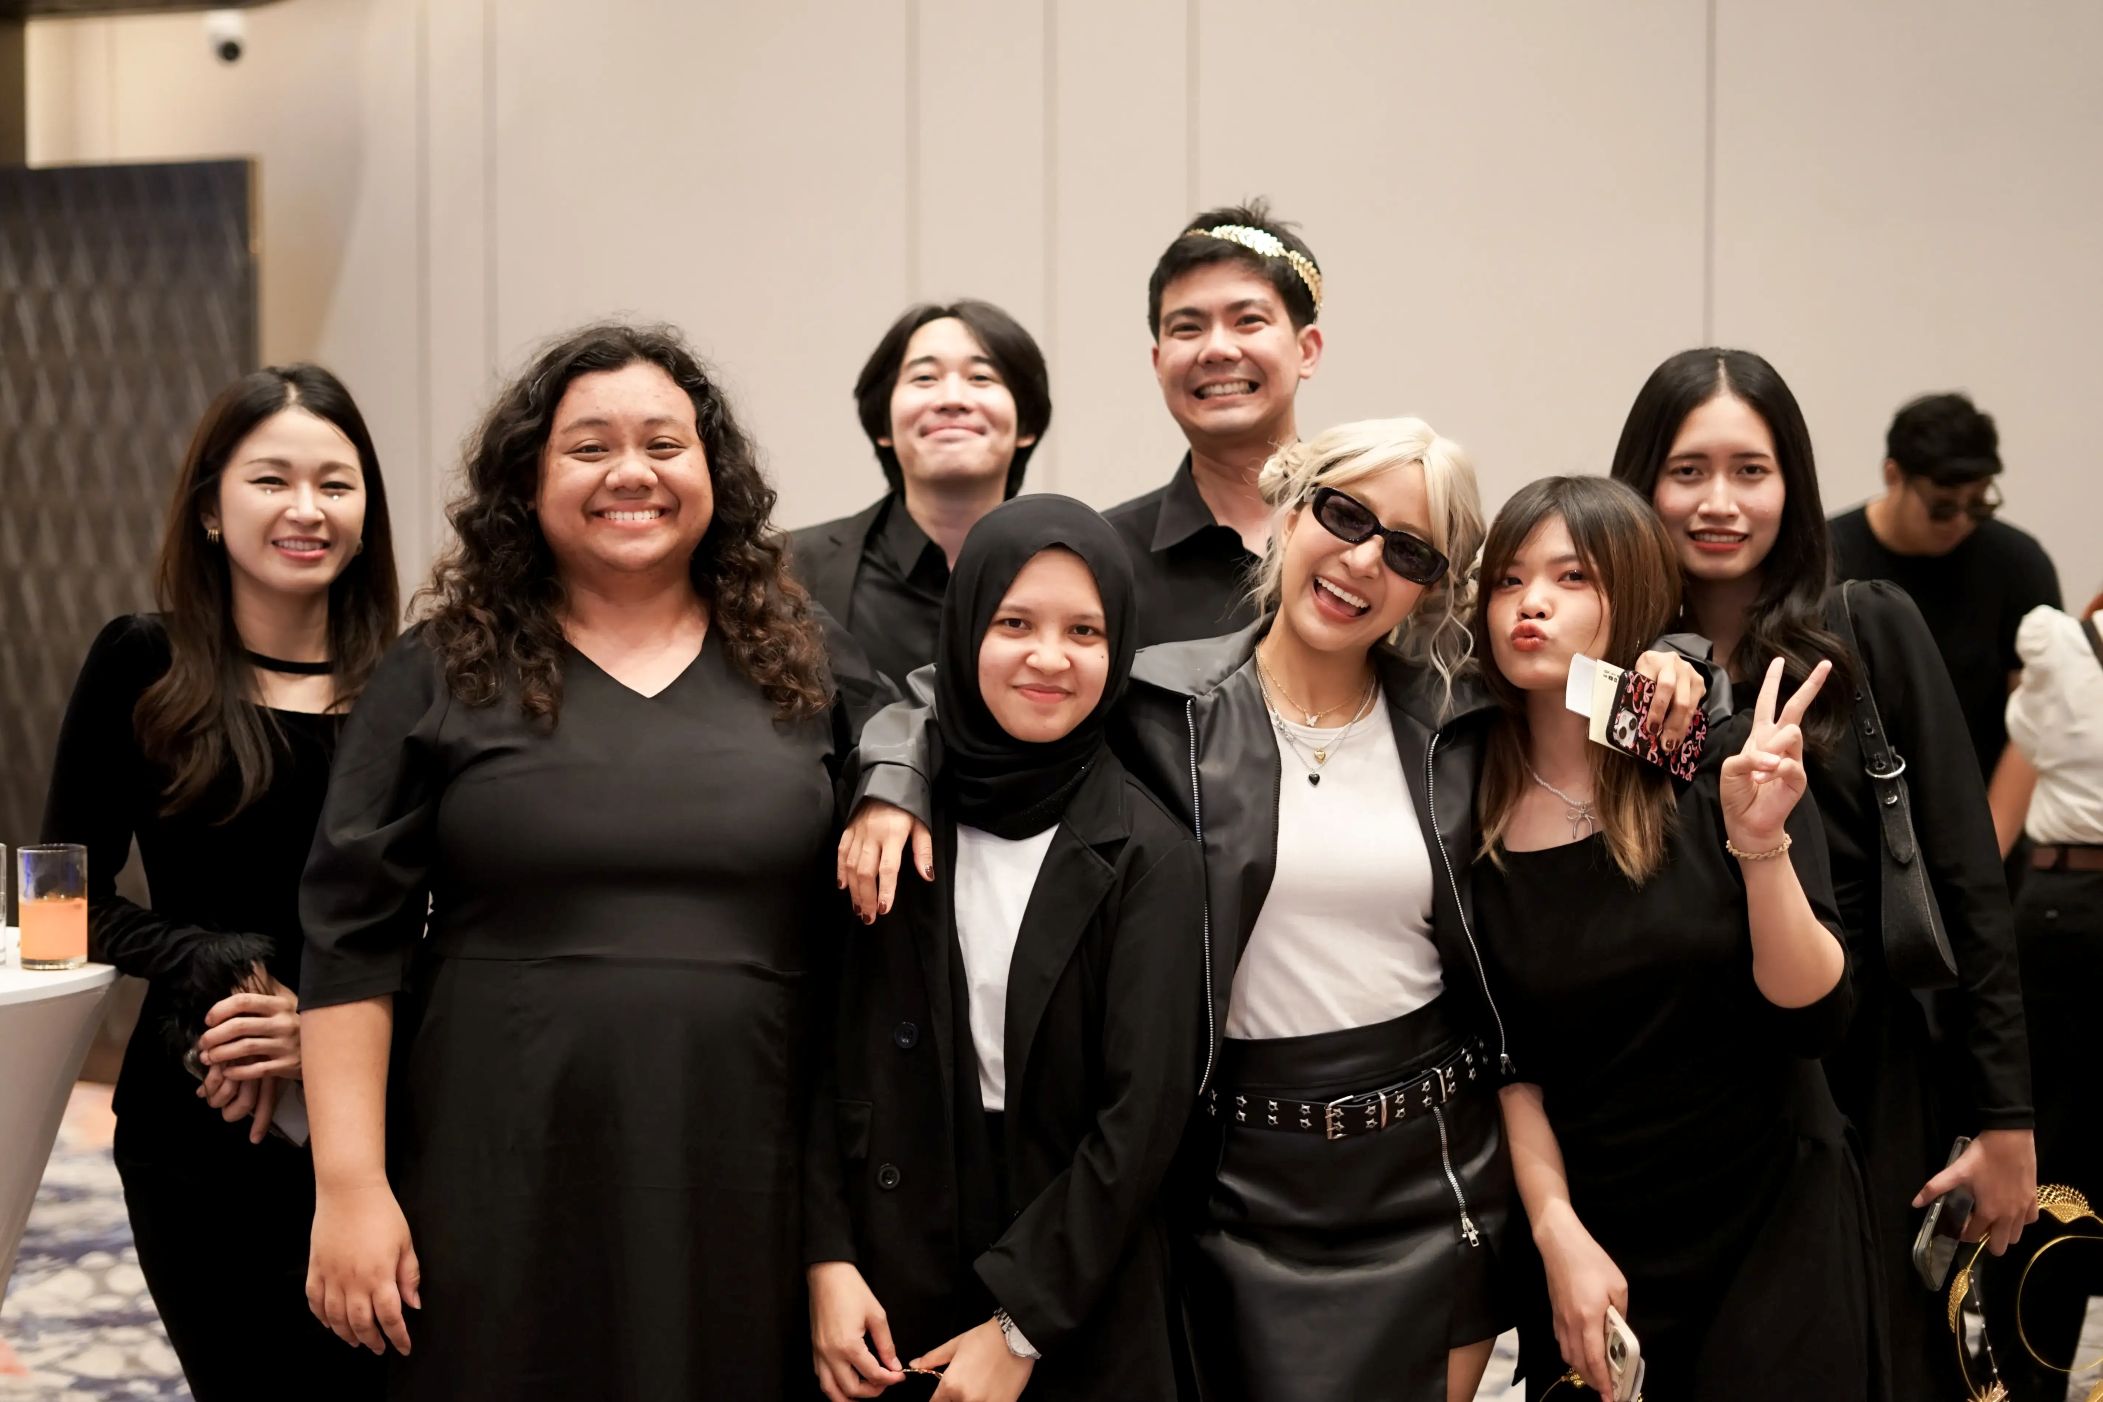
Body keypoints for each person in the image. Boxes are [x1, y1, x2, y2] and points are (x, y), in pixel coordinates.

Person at [839, 420, 1711, 1401]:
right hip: (1236, 1185)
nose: (1363, 559)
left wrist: (1684, 657)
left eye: (1410, 550)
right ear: (1288, 516)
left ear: (1432, 585)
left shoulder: (1468, 714)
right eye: (1343, 515)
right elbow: (952, 688)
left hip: (1436, 1178)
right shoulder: (1161, 702)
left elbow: (1688, 738)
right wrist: (894, 774)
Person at [296, 322, 854, 1400]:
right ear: (529, 482)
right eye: (588, 447)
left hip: (744, 1164)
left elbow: (894, 823)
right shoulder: (442, 666)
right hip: (494, 1161)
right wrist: (350, 1182)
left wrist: (894, 794)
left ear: (713, 472)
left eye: (664, 443)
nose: (631, 473)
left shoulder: (808, 662)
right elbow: (350, 938)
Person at [1610, 349, 2037, 1398]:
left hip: (1871, 1079)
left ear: (1791, 484)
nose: (1720, 502)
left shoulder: (1867, 626)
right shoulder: (1617, 663)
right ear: (1641, 484)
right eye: (1686, 472)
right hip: (1680, 1103)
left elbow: (1967, 879)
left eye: (1750, 471)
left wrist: (2007, 1118)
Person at [1470, 474, 1877, 1399]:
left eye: (1572, 577)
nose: (1530, 602)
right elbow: (1502, 1058)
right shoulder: (1464, 792)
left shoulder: (1712, 756)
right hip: (1598, 1224)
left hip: (1770, 1206)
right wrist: (1556, 1230)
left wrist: (1759, 841)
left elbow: (1815, 1016)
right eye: (1507, 580)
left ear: (1636, 601)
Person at [40, 364, 397, 1400]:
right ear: (208, 507)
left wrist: (321, 1026)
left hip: (384, 1110)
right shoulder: (140, 661)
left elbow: (450, 906)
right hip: (200, 1108)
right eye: (270, 479)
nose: (306, 508)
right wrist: (201, 955)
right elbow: (52, 899)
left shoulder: (415, 680)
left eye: (337, 482)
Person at [805, 495, 1206, 1402]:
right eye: (1014, 622)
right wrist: (824, 1259)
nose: (1049, 658)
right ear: (961, 629)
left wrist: (1019, 1325)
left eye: (1086, 631)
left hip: (1076, 1281)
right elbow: (817, 1058)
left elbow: (1140, 1124)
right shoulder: (883, 822)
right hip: (880, 1286)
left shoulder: (1151, 852)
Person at [791, 300, 1052, 689]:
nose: (951, 398)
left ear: (1025, 423)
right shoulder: (788, 572)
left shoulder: (1076, 572)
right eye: (924, 379)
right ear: (883, 423)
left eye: (981, 378)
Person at [1103, 199, 1325, 646]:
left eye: (1248, 321)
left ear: (1307, 350)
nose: (1217, 349)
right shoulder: (1103, 557)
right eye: (1187, 328)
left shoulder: (1372, 536)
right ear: (1158, 362)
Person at [1984, 587, 2103, 1399]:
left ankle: (2030, 1375)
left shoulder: (2064, 644)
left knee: (2046, 1155)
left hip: (2063, 907)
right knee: (2045, 1156)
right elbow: (1998, 818)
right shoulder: (2068, 643)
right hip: (2064, 917)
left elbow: (2001, 815)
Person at [1829, 391, 2061, 780]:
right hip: (1852, 812)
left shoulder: (2019, 564)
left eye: (1978, 504)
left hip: (1986, 804)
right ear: (1892, 476)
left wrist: (1992, 838)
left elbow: (2040, 720)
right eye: (1942, 507)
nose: (1961, 521)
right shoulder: (1825, 559)